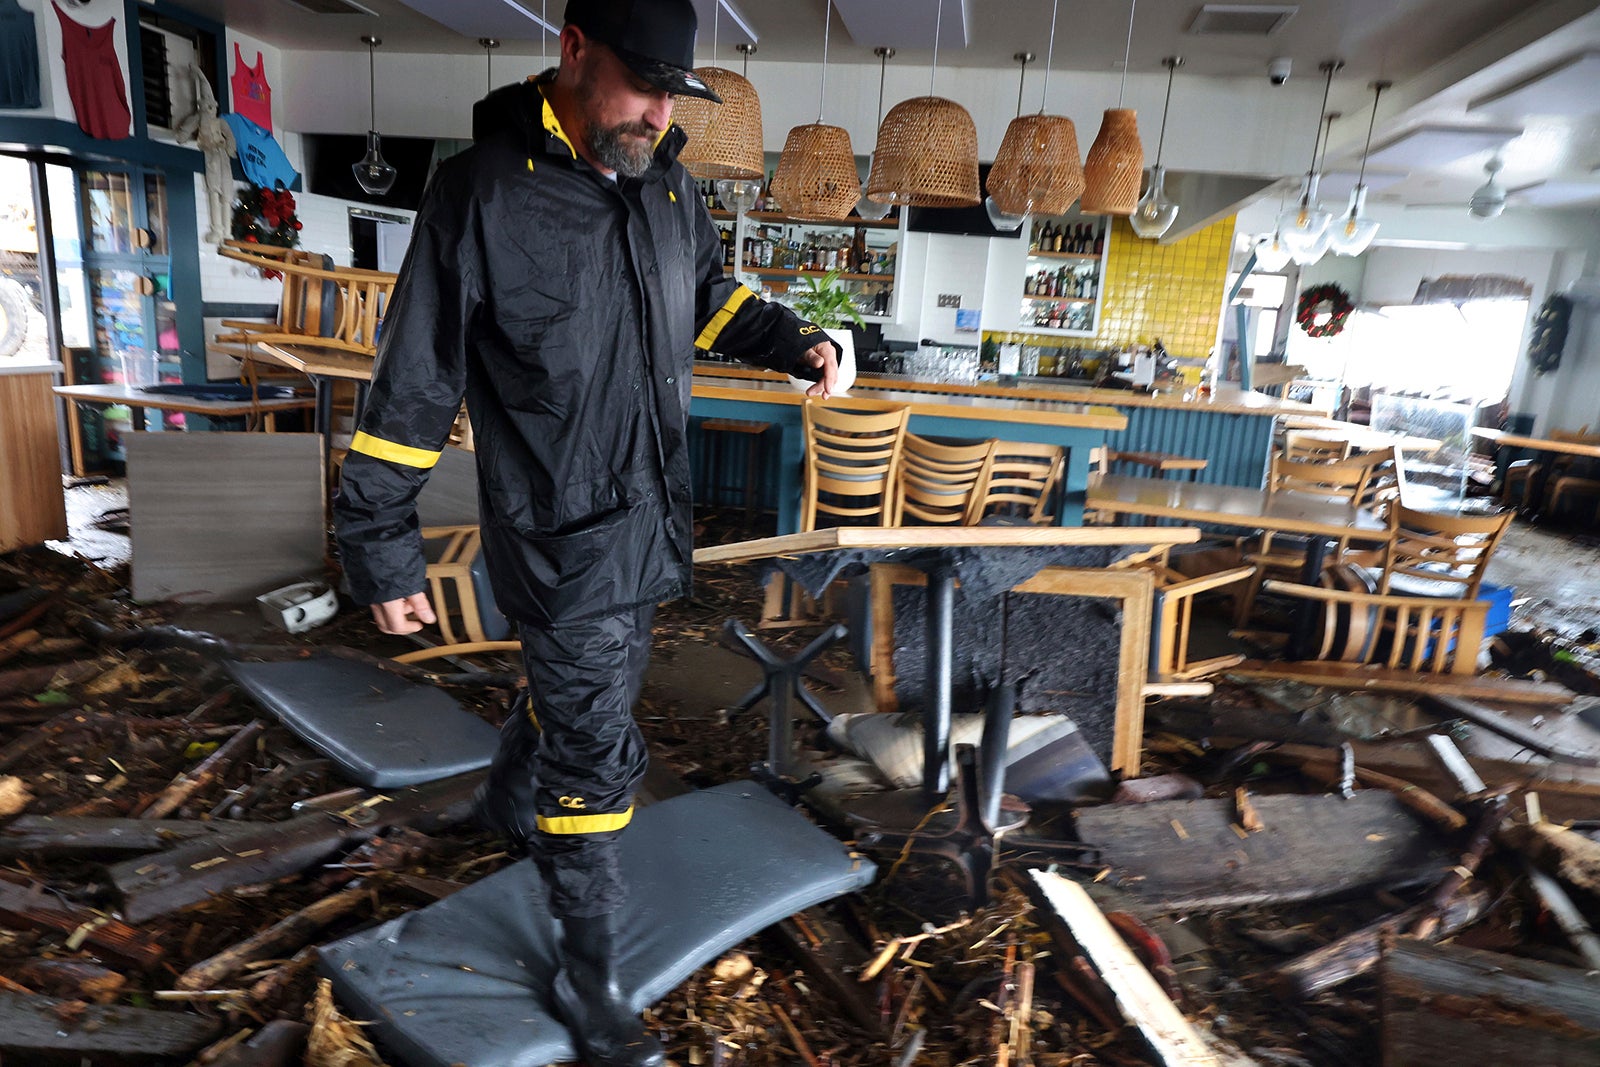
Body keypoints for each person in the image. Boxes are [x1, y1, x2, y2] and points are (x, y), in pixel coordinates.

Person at [330, 1, 838, 1064]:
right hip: (557, 528)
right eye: (641, 84)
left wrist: (794, 341)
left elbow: (704, 296)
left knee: (583, 694)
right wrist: (378, 540)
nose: (657, 110)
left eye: (671, 91)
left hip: (650, 514)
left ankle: (504, 796)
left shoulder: (665, 185)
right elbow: (414, 381)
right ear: (571, 51)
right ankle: (589, 963)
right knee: (599, 747)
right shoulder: (477, 198)